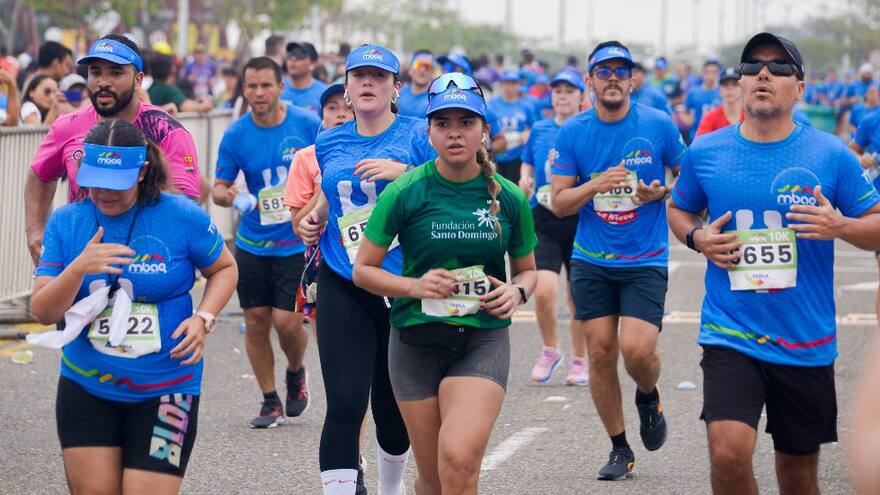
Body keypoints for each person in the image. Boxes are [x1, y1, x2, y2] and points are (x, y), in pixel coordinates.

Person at [667, 32, 880, 495]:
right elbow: (679, 208)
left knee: (798, 477)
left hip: (806, 338)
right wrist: (698, 237)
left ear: (799, 88)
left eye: (781, 67)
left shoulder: (831, 155)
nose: (765, 73)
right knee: (727, 454)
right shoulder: (706, 152)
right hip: (730, 330)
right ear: (740, 84)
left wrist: (839, 226)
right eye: (753, 67)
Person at [27, 119, 237, 495]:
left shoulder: (181, 215)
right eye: (94, 181)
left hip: (168, 387)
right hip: (86, 384)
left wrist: (203, 318)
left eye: (116, 183)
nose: (104, 192)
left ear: (142, 172)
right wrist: (78, 269)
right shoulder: (67, 222)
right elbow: (42, 310)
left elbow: (224, 268)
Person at [351, 73, 537, 495]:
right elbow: (365, 270)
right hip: (414, 342)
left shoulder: (508, 196)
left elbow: (528, 270)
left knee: (458, 461)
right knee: (434, 480)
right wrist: (415, 287)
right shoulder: (404, 192)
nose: (455, 133)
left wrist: (516, 291)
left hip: (482, 340)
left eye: (466, 123)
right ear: (429, 132)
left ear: (485, 131)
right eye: (443, 123)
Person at [297, 44, 435, 495]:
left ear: (396, 87)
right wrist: (313, 217)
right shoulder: (329, 138)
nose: (368, 84)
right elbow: (331, 191)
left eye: (379, 77)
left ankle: (390, 488)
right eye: (359, 77)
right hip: (345, 279)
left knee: (392, 408)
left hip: (402, 282)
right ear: (347, 87)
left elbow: (454, 181)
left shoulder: (419, 134)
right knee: (345, 402)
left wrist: (404, 171)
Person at [551, 40, 685, 481]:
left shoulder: (659, 125)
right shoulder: (572, 132)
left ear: (632, 80)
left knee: (637, 350)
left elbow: (686, 180)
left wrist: (661, 192)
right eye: (603, 71)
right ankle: (619, 448)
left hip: (645, 257)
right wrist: (596, 185)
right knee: (601, 353)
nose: (612, 78)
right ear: (589, 81)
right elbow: (559, 203)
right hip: (592, 258)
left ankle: (648, 394)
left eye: (620, 71)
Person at [25, 35, 203, 266]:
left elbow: (188, 203)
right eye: (96, 72)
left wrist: (137, 177)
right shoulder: (66, 126)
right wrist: (35, 229)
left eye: (116, 73)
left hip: (149, 262)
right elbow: (39, 174)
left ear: (138, 80)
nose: (103, 82)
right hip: (81, 261)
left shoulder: (165, 130)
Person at [211, 56, 320, 428]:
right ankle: (270, 399)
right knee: (256, 321)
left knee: (288, 323)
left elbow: (329, 166)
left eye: (266, 85)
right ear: (244, 89)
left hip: (295, 242)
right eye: (252, 86)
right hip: (253, 242)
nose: (259, 93)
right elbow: (218, 188)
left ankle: (295, 371)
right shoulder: (236, 134)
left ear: (280, 87)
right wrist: (232, 197)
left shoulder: (306, 124)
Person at [518, 69, 589, 386]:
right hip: (544, 217)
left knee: (578, 298)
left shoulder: (588, 129)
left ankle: (579, 359)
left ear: (580, 97)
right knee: (544, 292)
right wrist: (526, 178)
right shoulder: (541, 128)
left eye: (569, 91)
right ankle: (550, 349)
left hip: (580, 219)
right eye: (557, 90)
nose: (562, 96)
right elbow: (527, 161)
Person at [489, 70, 535, 184]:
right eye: (507, 83)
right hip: (495, 156)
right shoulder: (491, 104)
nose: (510, 87)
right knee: (494, 190)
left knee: (512, 191)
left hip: (517, 156)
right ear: (502, 84)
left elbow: (534, 129)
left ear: (519, 85)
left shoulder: (526, 107)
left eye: (513, 83)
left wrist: (527, 135)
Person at [148, 54, 213, 114]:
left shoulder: (148, 90)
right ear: (172, 70)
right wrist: (206, 103)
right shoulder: (169, 91)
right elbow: (190, 107)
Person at [280, 42, 328, 114]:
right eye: (290, 55)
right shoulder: (278, 89)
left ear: (313, 64)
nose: (293, 59)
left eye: (299, 55)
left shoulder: (325, 93)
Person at [695, 68, 743, 137]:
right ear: (719, 89)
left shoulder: (751, 117)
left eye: (735, 84)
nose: (730, 88)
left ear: (742, 88)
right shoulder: (709, 118)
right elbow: (698, 146)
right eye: (725, 84)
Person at [681, 59, 722, 140]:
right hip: (697, 136)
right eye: (708, 72)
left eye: (714, 73)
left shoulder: (722, 92)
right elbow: (685, 111)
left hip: (718, 136)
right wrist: (688, 120)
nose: (710, 76)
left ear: (718, 74)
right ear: (703, 73)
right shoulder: (693, 92)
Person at [396, 50, 434, 118]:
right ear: (410, 70)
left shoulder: (435, 98)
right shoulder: (398, 94)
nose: (422, 70)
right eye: (418, 65)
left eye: (427, 66)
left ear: (432, 72)